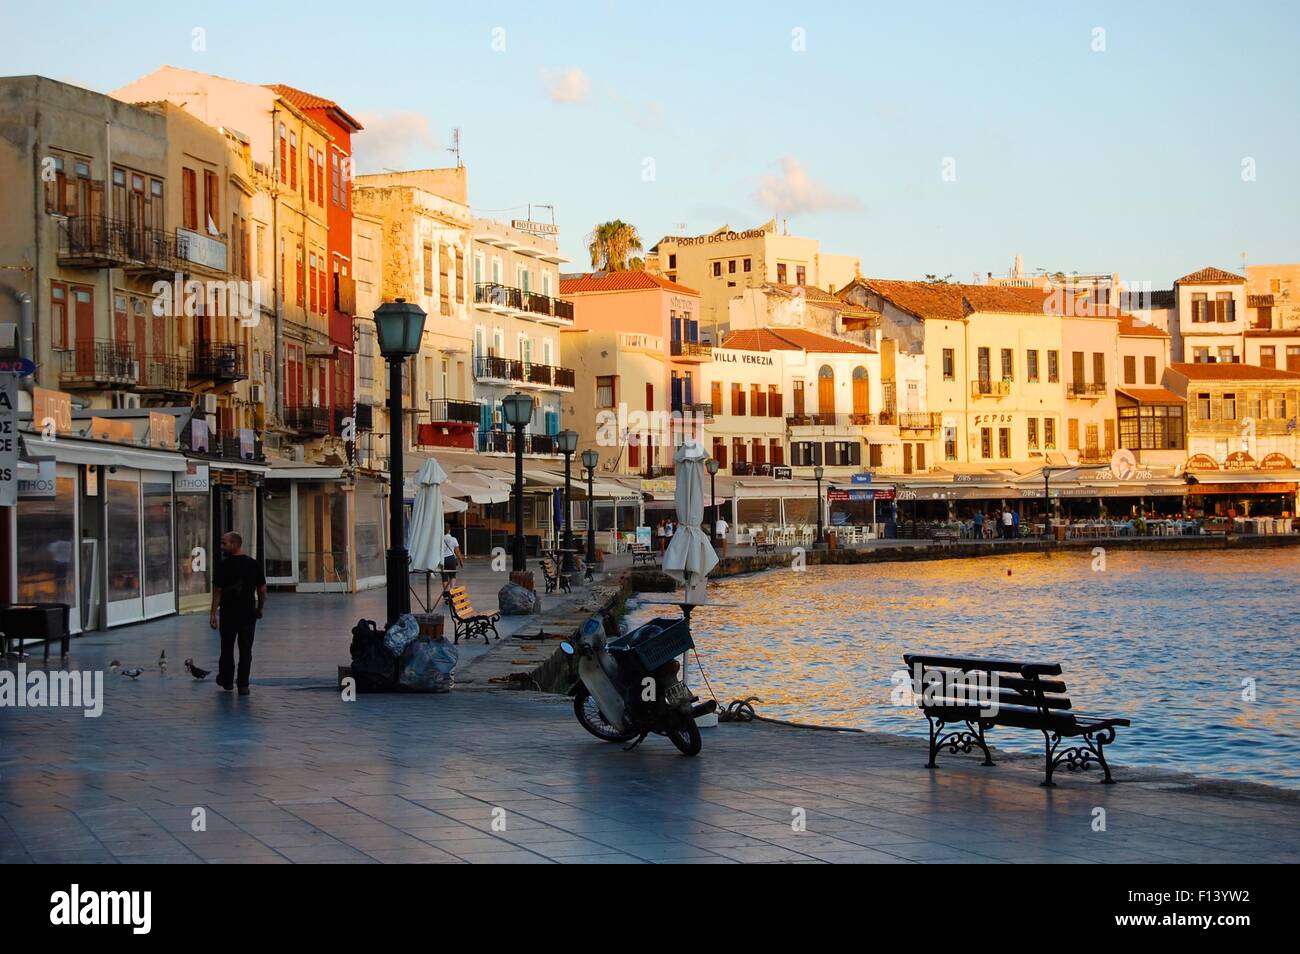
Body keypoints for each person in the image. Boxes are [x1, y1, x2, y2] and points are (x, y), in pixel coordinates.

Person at [209, 532, 267, 696]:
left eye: (224, 544)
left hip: (228, 613)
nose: (222, 547)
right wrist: (260, 608)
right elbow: (262, 590)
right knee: (246, 649)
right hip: (248, 613)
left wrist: (213, 613)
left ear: (234, 544)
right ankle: (243, 685)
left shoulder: (223, 566)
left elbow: (217, 591)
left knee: (226, 647)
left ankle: (227, 680)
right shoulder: (254, 564)